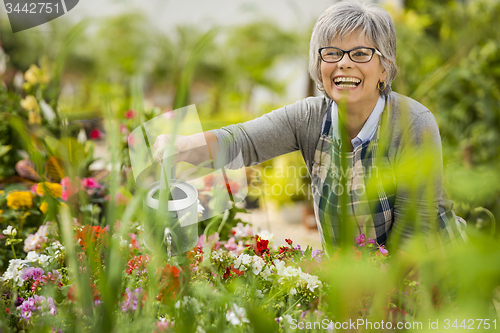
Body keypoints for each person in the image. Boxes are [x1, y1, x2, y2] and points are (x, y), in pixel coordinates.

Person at [154, 1, 466, 256]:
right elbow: (242, 141)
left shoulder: (411, 122)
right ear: (320, 66)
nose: (343, 63)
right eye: (331, 53)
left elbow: (414, 233)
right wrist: (183, 146)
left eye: (360, 53)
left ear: (384, 68)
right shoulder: (309, 119)